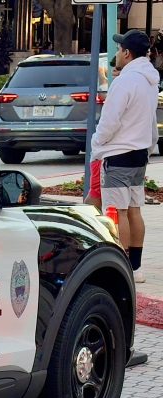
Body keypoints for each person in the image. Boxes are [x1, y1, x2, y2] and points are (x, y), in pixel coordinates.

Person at [91, 29, 159, 284]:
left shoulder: (124, 82)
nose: (117, 53)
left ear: (127, 54)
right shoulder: (150, 81)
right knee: (133, 209)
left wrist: (97, 143)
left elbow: (109, 122)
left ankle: (123, 267)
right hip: (140, 154)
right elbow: (150, 121)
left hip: (118, 153)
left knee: (117, 212)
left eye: (119, 50)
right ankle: (137, 267)